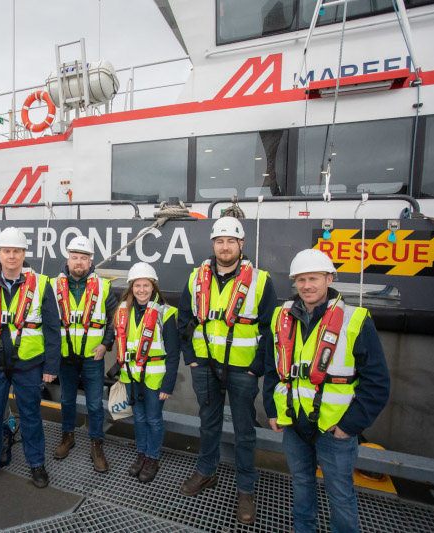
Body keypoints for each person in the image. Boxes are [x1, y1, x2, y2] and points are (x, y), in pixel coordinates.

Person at [263, 249, 390, 533]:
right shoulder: (280, 317)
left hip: (335, 428)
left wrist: (350, 425)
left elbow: (377, 382)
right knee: (301, 484)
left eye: (314, 278)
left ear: (329, 278)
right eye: (301, 280)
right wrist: (272, 410)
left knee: (340, 494)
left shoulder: (355, 320)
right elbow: (272, 368)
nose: (307, 286)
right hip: (294, 423)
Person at [177, 217, 277, 525]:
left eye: (230, 241)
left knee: (245, 431)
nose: (225, 247)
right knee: (208, 424)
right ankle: (207, 472)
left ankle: (246, 489)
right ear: (213, 245)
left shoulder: (261, 280)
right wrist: (192, 359)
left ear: (241, 245)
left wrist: (256, 367)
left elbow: (270, 328)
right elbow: (184, 320)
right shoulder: (196, 278)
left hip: (243, 369)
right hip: (205, 365)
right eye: (219, 241)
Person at [0, 227, 61, 490]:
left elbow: (52, 328)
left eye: (16, 251)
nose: (11, 256)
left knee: (30, 416)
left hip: (29, 366)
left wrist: (51, 366)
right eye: (7, 251)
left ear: (24, 254)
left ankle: (36, 464)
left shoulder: (41, 283)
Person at [50, 236, 118, 472]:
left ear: (91, 262)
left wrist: (106, 344)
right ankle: (67, 437)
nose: (79, 262)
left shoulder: (103, 287)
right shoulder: (51, 286)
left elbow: (115, 318)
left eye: (84, 258)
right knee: (66, 399)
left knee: (94, 403)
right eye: (75, 257)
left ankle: (96, 445)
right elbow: (45, 320)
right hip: (64, 357)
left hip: (93, 357)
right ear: (68, 259)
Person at [113, 262, 179, 483]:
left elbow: (173, 353)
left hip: (154, 377)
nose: (141, 290)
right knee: (139, 417)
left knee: (153, 418)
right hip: (130, 375)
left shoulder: (166, 313)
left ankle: (152, 458)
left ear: (154, 287)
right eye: (137, 285)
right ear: (131, 287)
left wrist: (168, 385)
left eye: (146, 285)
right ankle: (141, 454)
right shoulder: (122, 311)